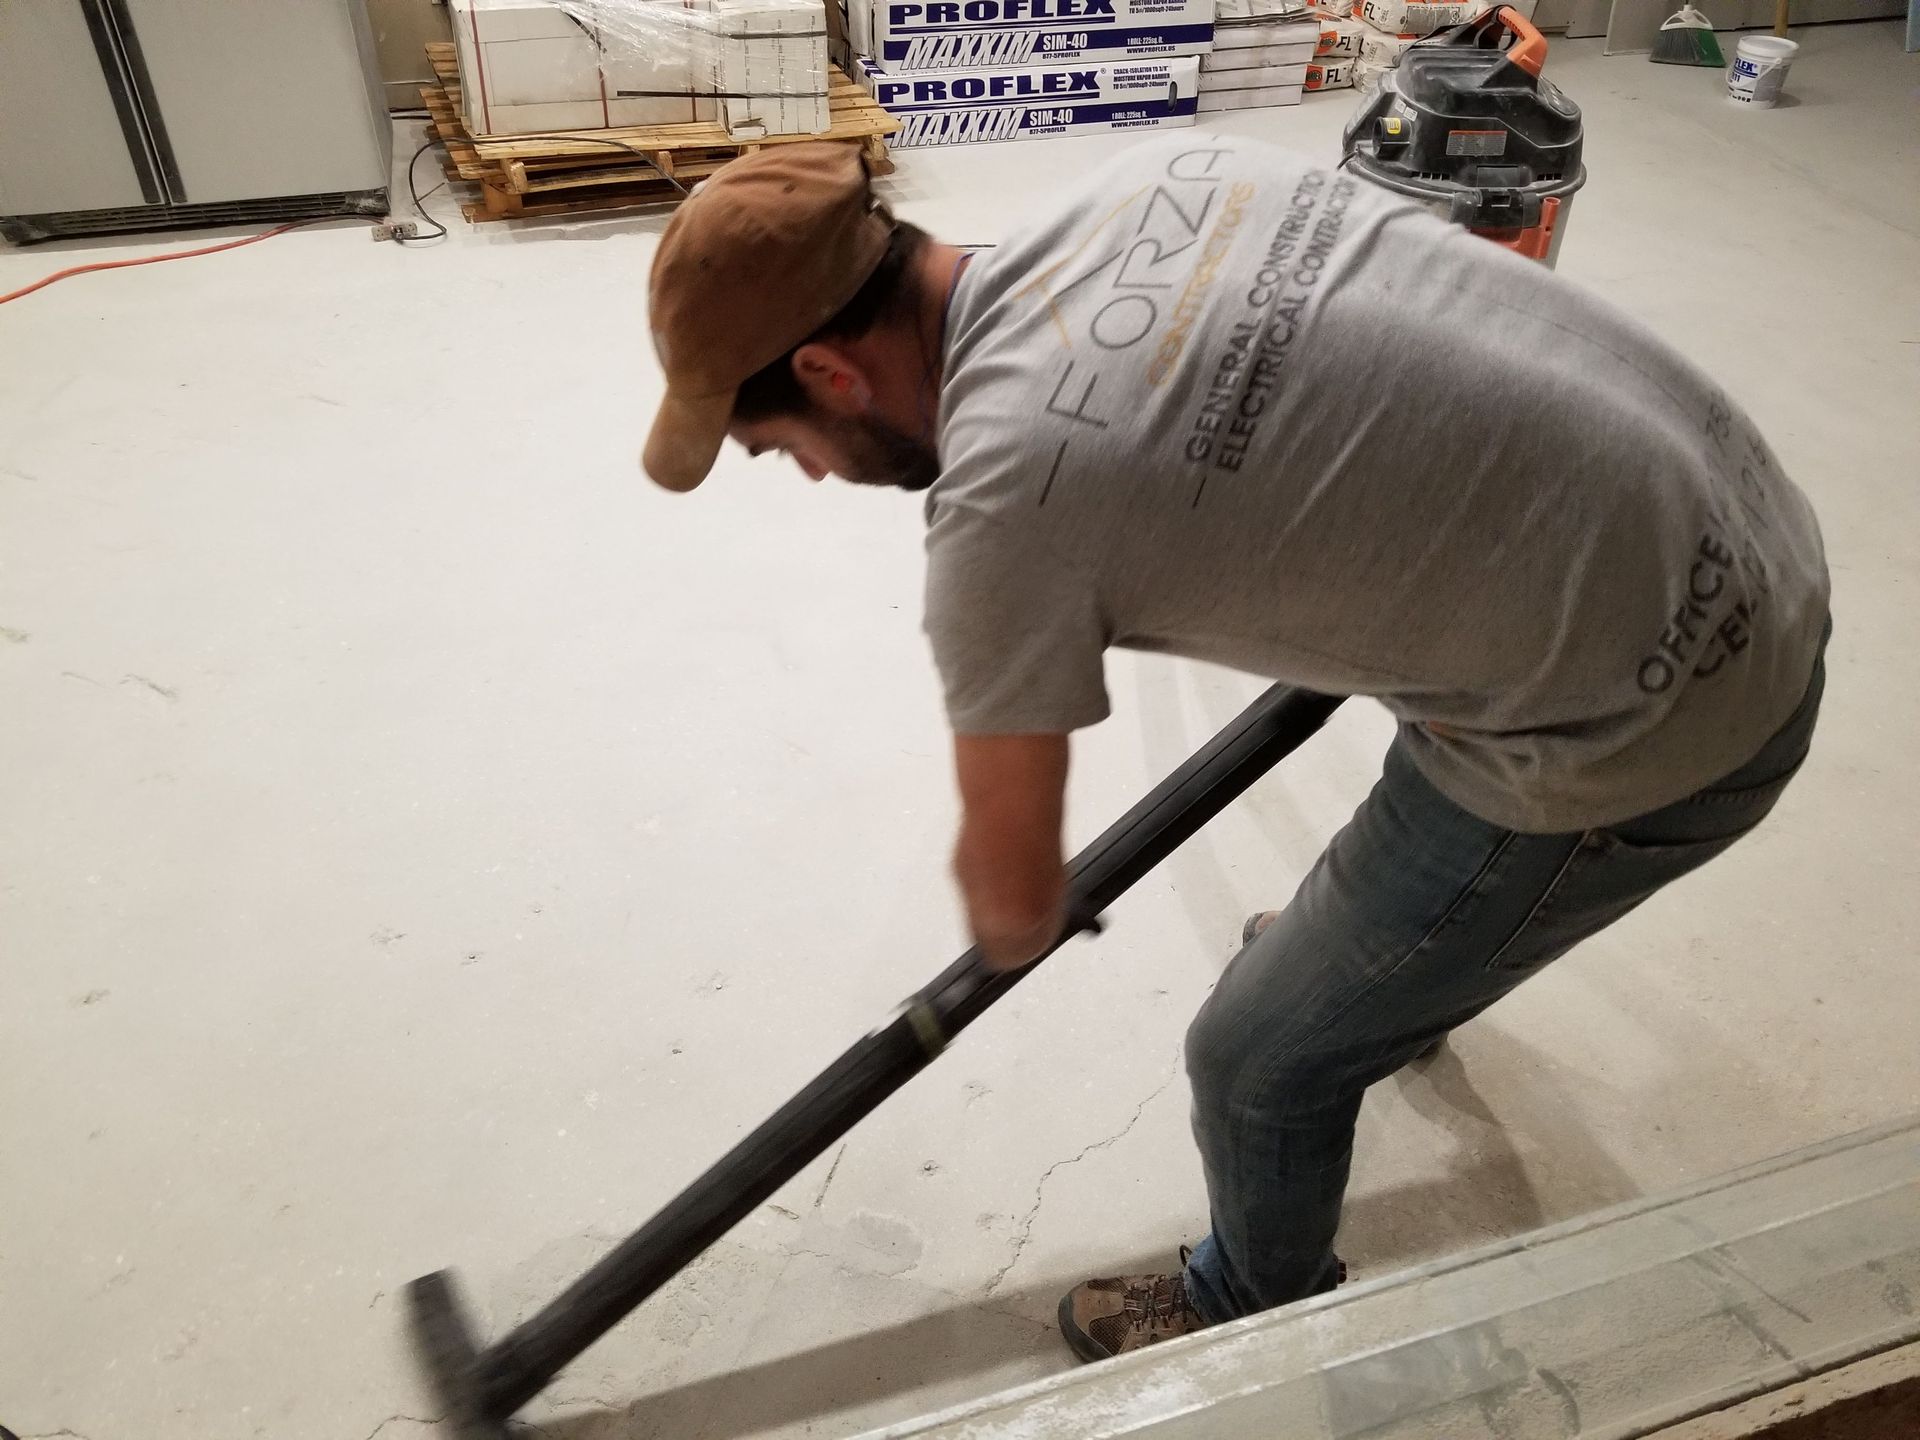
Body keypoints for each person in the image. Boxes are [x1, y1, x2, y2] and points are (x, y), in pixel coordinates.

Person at [639, 138, 1830, 1362]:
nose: (811, 476)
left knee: (1255, 1059)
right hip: (1752, 525)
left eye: (777, 446)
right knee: (1362, 899)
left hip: (1661, 714)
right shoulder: (1152, 183)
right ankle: (1388, 986)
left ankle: (1251, 1301)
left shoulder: (1006, 503)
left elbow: (1011, 909)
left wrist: (1025, 897)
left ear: (831, 373)